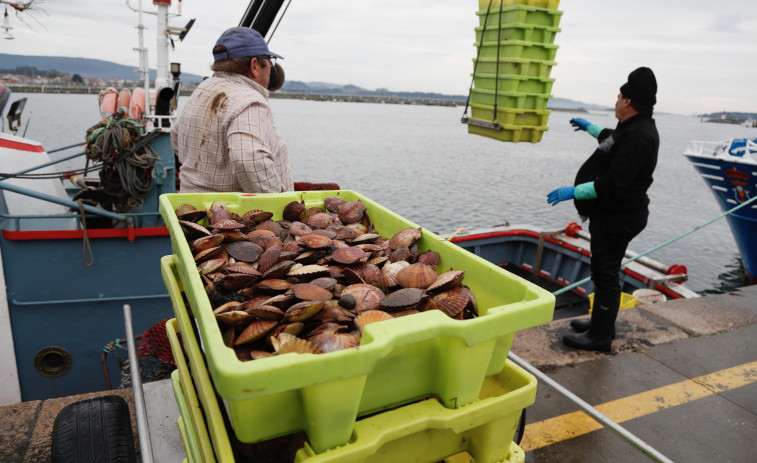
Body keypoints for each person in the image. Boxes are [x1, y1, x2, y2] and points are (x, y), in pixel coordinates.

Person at [547, 67, 659, 352]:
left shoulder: (639, 135)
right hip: (616, 214)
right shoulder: (634, 128)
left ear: (628, 101)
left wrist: (572, 191)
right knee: (604, 271)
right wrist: (590, 128)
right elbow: (613, 140)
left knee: (606, 274)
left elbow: (612, 185)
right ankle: (600, 323)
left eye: (619, 96)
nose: (616, 100)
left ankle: (600, 336)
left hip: (618, 216)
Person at [171, 27, 294, 193]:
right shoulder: (249, 101)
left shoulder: (203, 89)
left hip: (191, 206)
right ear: (255, 65)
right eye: (270, 61)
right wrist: (277, 204)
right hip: (230, 215)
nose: (271, 68)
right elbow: (249, 159)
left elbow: (176, 135)